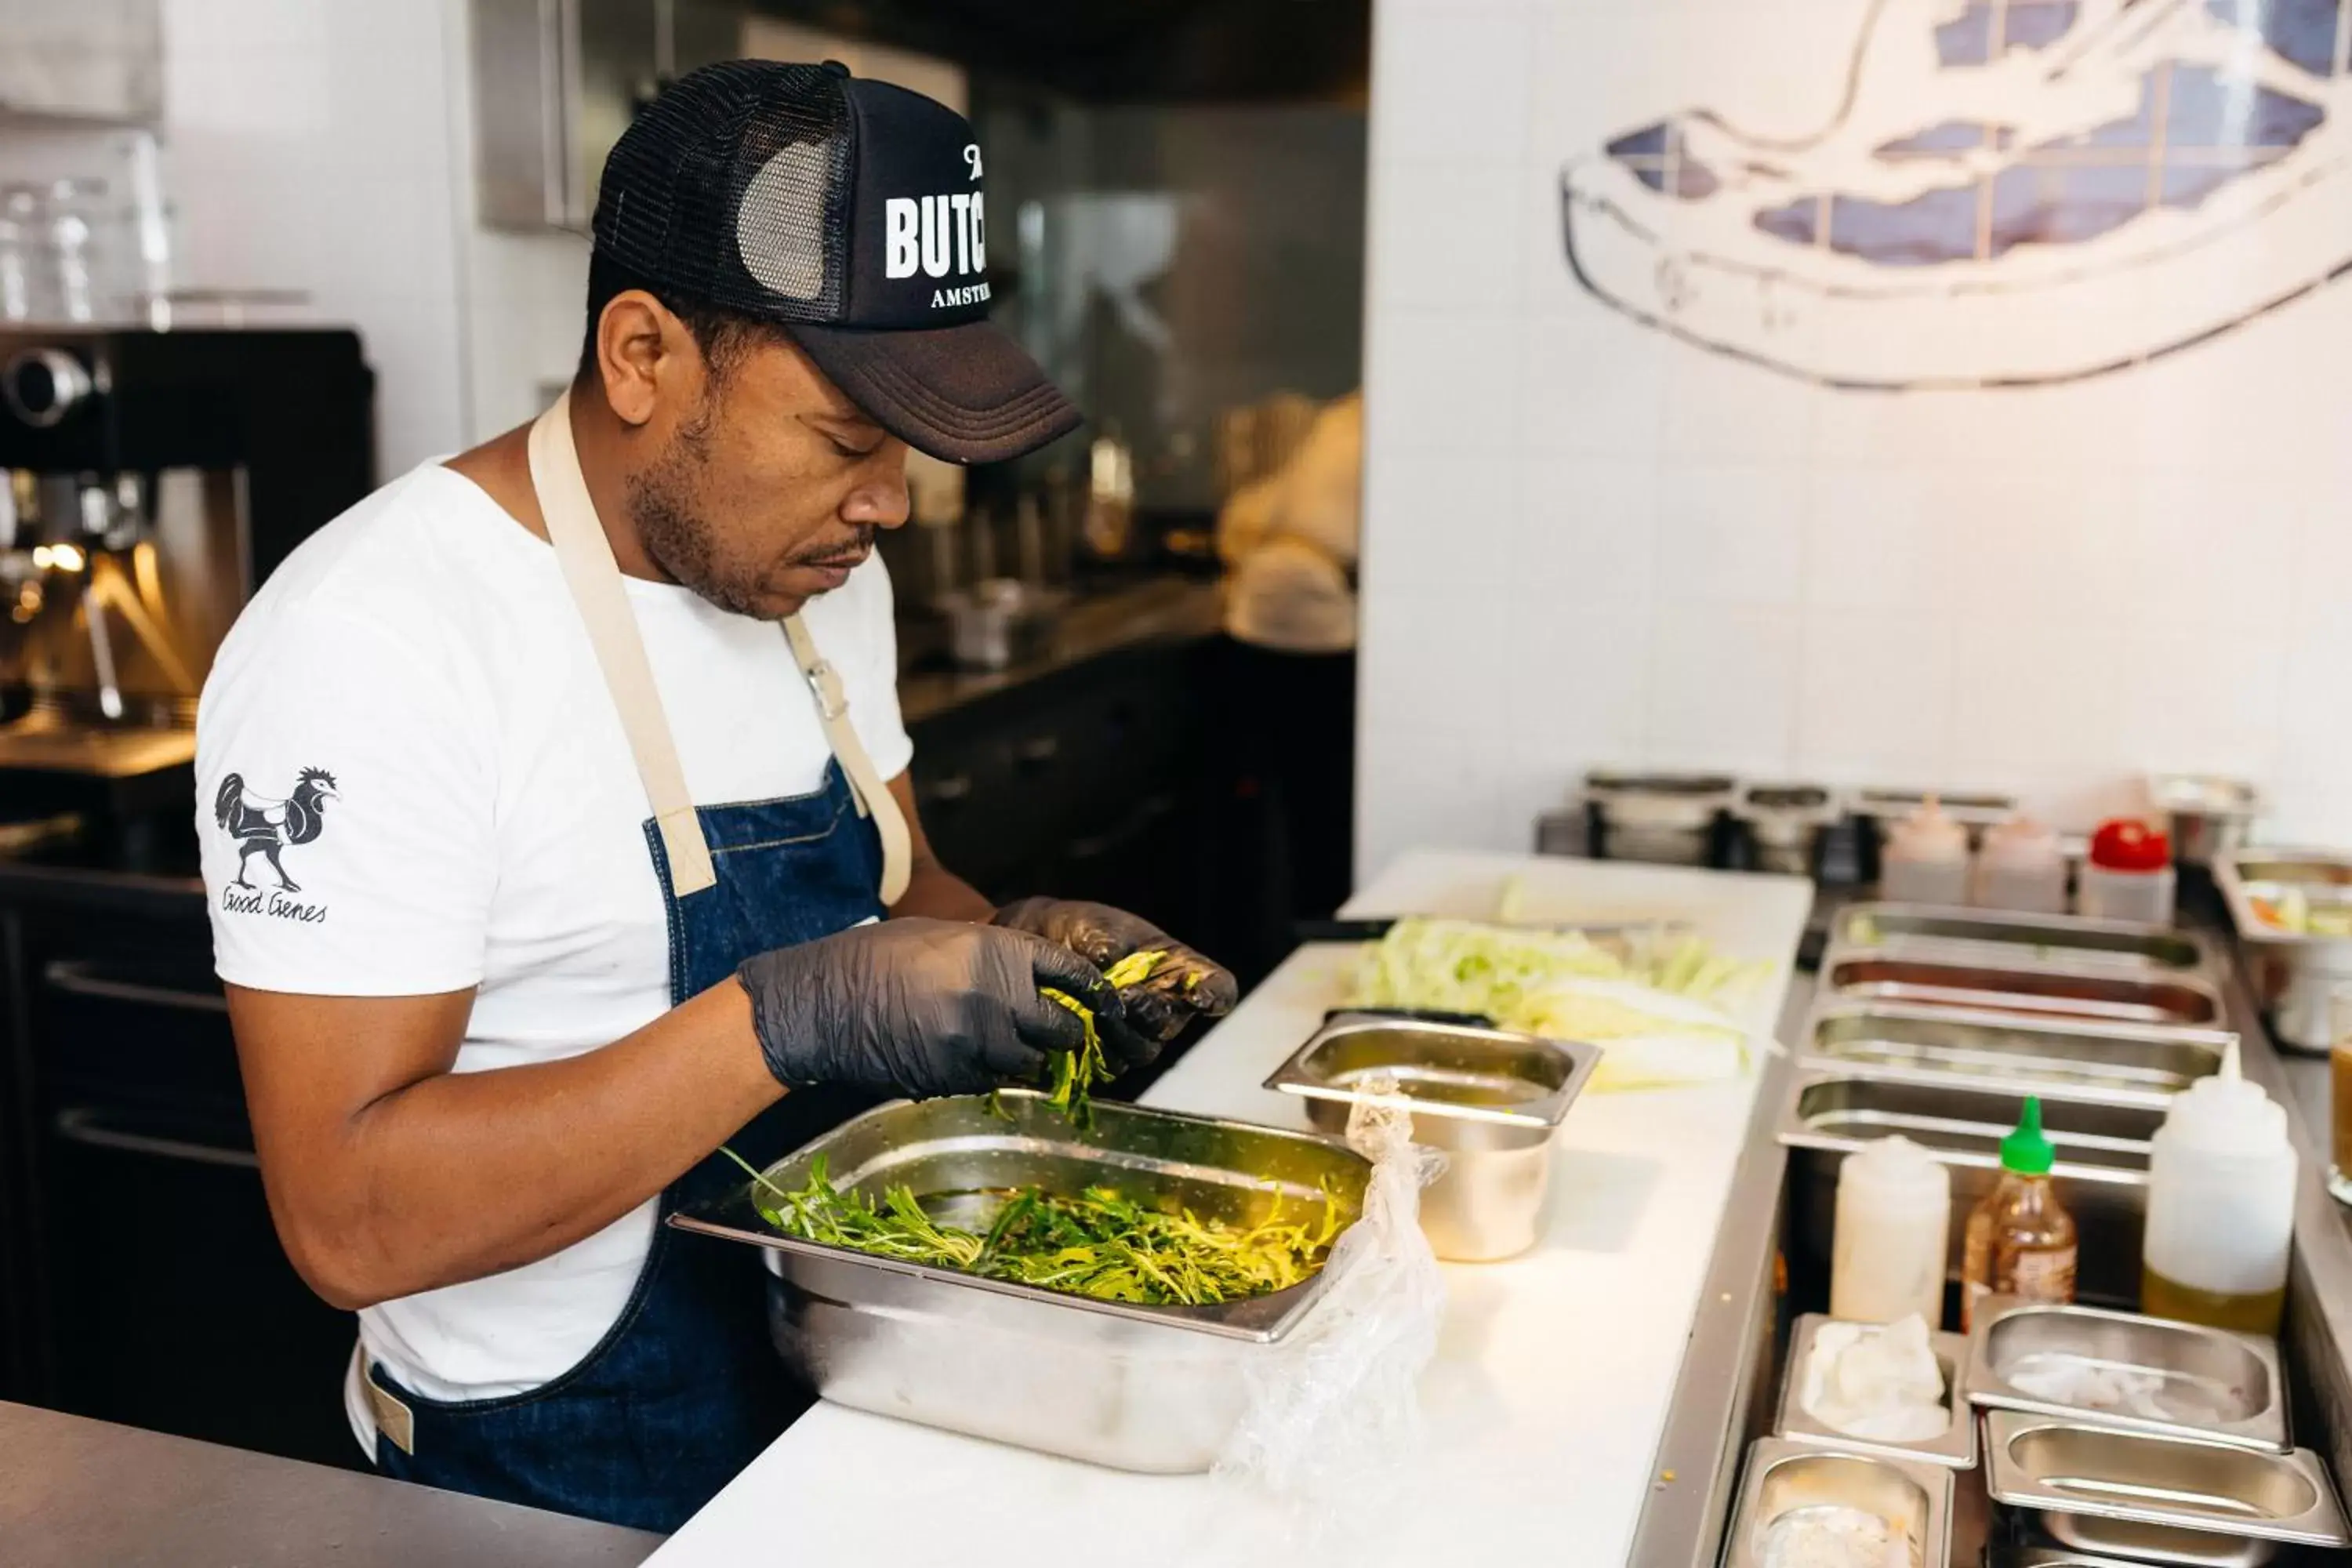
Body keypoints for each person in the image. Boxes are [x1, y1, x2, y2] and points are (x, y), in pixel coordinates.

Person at [194, 60, 1236, 1534]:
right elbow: (346, 1219)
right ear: (641, 357)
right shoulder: (379, 637)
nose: (894, 502)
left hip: (857, 1397)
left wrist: (1021, 954)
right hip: (543, 1488)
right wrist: (783, 1016)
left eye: (914, 448)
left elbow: (897, 886)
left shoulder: (816, 577)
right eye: (847, 437)